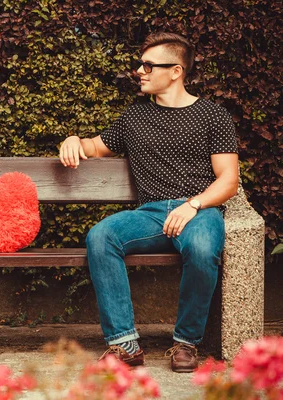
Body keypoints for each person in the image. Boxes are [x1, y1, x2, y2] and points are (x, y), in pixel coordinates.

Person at [59, 32, 238, 372]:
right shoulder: (134, 117)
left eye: (147, 65)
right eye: (140, 65)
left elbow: (228, 180)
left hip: (199, 210)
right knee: (102, 235)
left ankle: (186, 343)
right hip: (151, 214)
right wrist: (73, 139)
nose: (139, 72)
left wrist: (193, 205)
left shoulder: (214, 117)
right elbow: (94, 146)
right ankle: (124, 344)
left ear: (175, 71)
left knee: (202, 249)